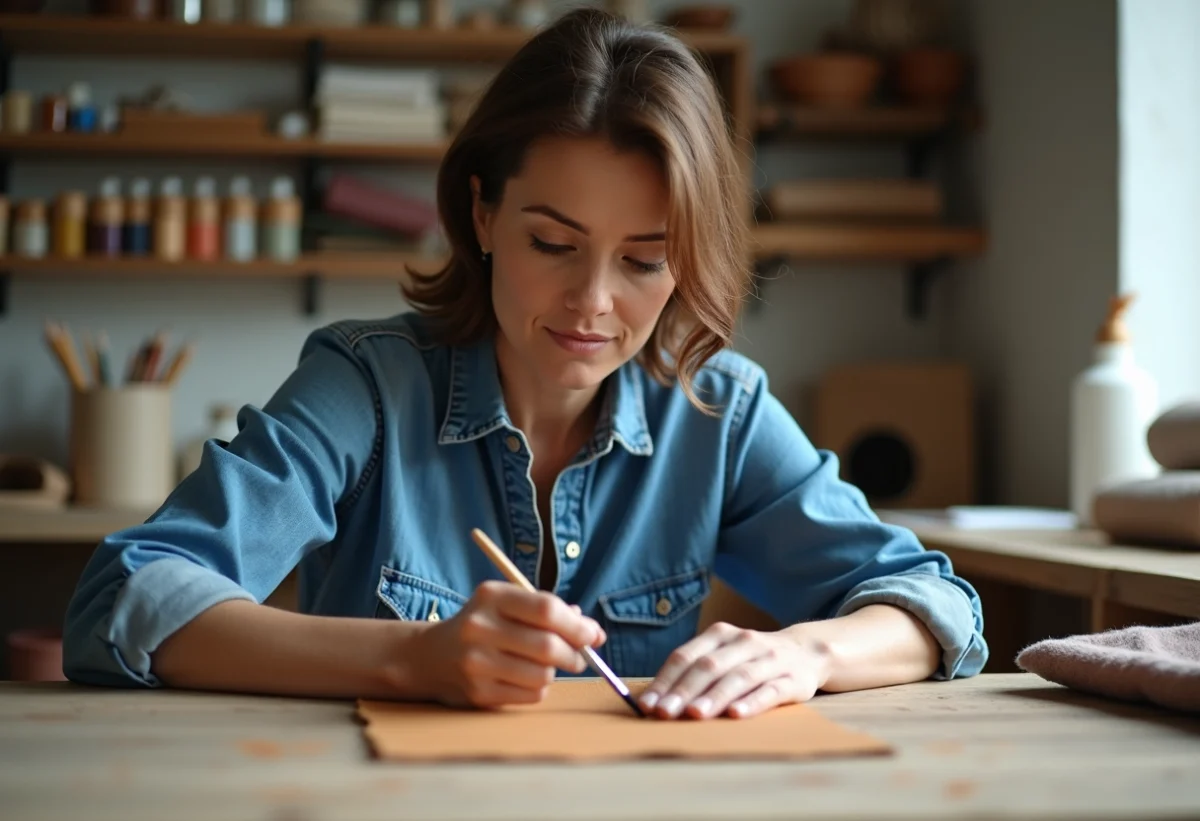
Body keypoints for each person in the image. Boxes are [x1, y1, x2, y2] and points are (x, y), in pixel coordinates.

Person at [63, 8, 987, 720]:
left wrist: (810, 654)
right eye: (553, 242)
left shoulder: (719, 414)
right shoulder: (367, 385)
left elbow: (931, 604)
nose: (593, 301)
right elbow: (126, 598)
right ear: (483, 217)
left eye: (643, 259)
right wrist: (410, 660)